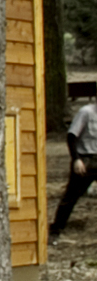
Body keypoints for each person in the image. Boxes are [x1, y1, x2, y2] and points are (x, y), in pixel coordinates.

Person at [50, 91, 97, 239]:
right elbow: (71, 136)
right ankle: (56, 229)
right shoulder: (86, 112)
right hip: (85, 160)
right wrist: (76, 159)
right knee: (71, 196)